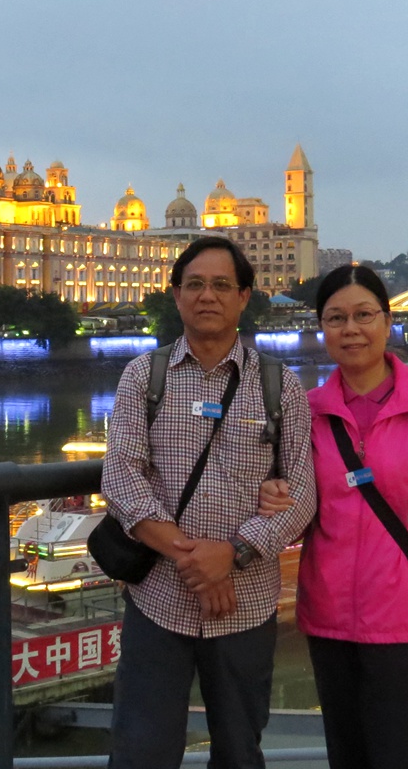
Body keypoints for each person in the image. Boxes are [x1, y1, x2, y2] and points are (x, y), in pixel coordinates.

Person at [260, 265, 408, 769]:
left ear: (387, 321)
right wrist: (274, 495)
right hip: (328, 615)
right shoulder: (307, 413)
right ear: (322, 329)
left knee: (406, 753)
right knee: (346, 753)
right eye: (336, 318)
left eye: (364, 315)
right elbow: (295, 503)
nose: (351, 329)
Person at [101, 236, 316, 769]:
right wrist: (198, 561)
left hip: (246, 605)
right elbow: (122, 479)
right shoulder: (143, 377)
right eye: (194, 284)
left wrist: (234, 553)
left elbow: (302, 494)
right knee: (141, 753)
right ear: (176, 295)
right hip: (157, 602)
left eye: (222, 285)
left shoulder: (279, 386)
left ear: (244, 297)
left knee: (240, 752)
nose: (207, 295)